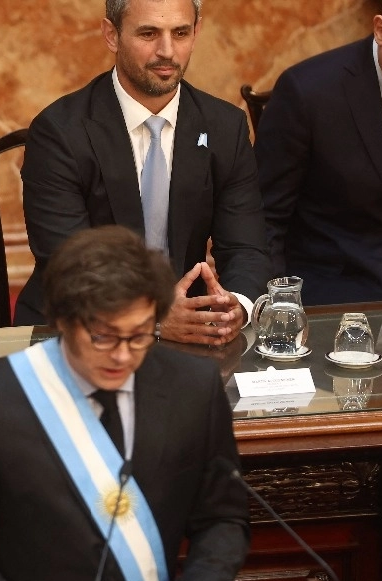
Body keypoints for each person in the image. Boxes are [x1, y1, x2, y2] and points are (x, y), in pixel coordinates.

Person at [0, 225, 250, 581]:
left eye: (138, 335)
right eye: (103, 337)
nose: (123, 356)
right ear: (65, 322)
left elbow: (224, 518)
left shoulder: (192, 386)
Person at [17, 0, 270, 346]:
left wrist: (235, 308)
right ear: (111, 35)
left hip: (190, 329)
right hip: (80, 331)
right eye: (148, 33)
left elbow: (246, 247)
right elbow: (69, 264)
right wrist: (151, 319)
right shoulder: (59, 131)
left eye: (180, 33)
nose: (167, 51)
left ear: (196, 32)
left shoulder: (225, 127)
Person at [255, 7, 382, 305]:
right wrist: (280, 308)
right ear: (380, 29)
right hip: (339, 290)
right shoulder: (307, 92)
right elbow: (264, 217)